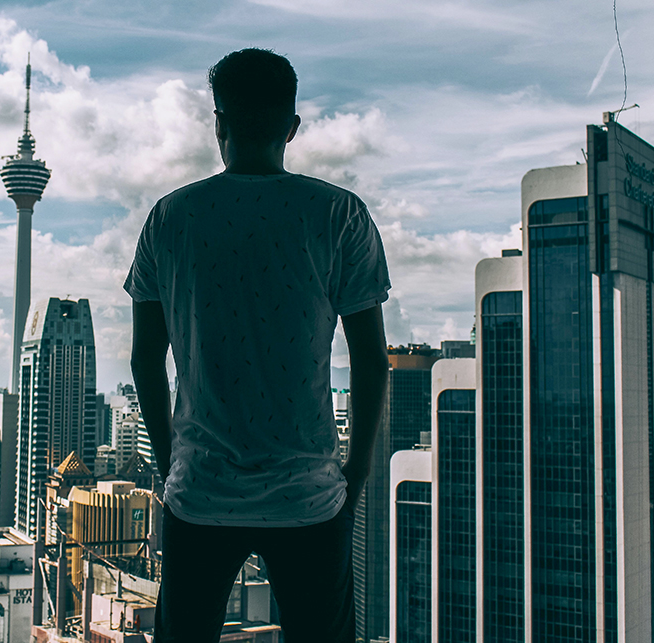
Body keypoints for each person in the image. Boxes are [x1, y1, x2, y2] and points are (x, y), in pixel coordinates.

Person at [124, 48, 390, 642]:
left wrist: (171, 469)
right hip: (310, 495)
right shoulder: (338, 214)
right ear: (292, 128)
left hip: (199, 492)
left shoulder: (169, 217)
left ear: (217, 121)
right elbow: (372, 360)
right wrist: (357, 472)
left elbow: (145, 359)